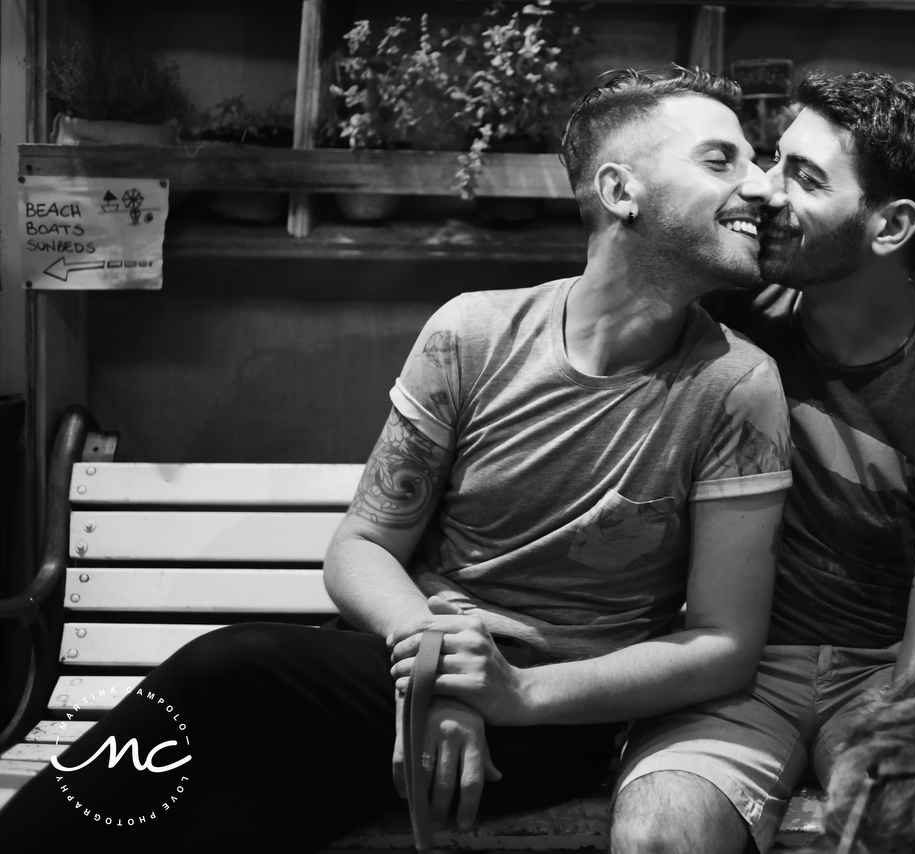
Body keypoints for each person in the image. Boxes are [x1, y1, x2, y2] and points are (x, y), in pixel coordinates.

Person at [0, 66, 792, 854]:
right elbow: (363, 545)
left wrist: (514, 694)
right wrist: (435, 674)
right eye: (722, 160)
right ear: (622, 192)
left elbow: (723, 645)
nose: (762, 186)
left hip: (558, 720)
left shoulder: (736, 386)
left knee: (228, 670)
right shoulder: (473, 336)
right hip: (400, 677)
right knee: (237, 820)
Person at [611, 70, 915, 854]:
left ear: (890, 225)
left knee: (909, 829)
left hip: (876, 676)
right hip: (726, 667)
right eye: (773, 161)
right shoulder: (729, 318)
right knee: (659, 836)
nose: (764, 191)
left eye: (803, 178)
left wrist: (897, 762)